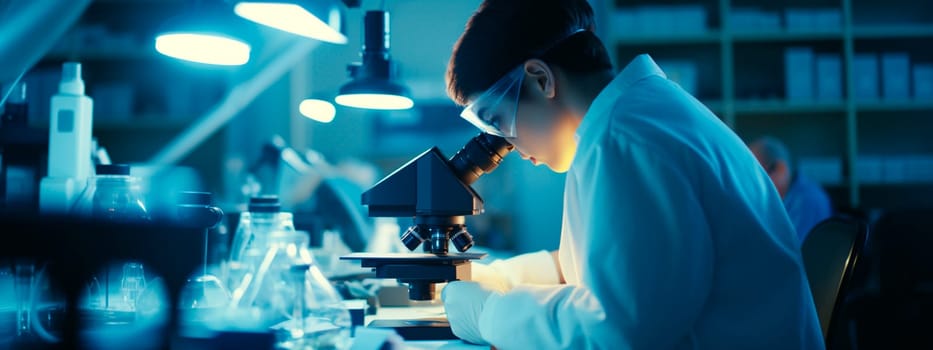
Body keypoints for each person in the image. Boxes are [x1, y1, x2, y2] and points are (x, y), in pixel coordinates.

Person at [438, 0, 825, 349]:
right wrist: (501, 277)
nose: (508, 144)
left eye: (498, 120)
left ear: (542, 78)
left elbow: (619, 331)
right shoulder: (641, 116)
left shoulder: (625, 140)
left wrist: (490, 314)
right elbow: (614, 262)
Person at [748, 136, 833, 243]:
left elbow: (793, 253)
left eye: (756, 178)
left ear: (780, 169)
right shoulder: (784, 199)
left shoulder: (809, 201)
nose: (753, 186)